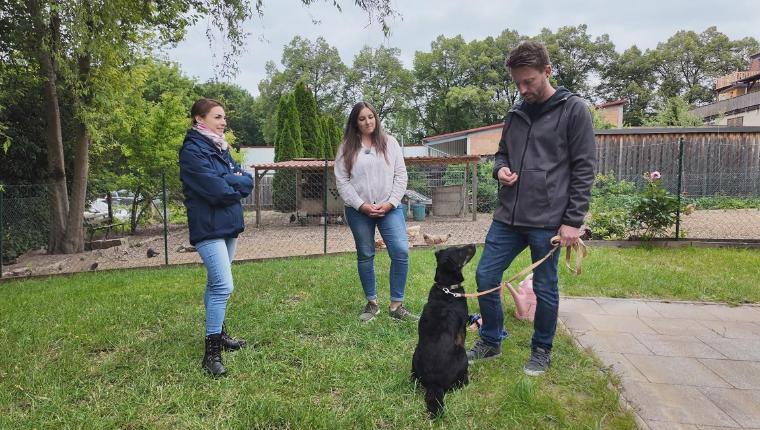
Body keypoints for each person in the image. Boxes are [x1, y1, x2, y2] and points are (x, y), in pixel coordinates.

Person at [466, 41, 596, 376]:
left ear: (547, 72)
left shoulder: (574, 110)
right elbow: (501, 153)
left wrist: (572, 222)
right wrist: (500, 170)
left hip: (548, 221)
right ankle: (491, 340)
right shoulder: (515, 114)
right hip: (508, 216)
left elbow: (584, 169)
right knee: (485, 275)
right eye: (518, 84)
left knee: (545, 286)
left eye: (529, 82)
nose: (523, 90)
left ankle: (541, 350)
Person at [179, 98, 254, 377]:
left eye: (225, 117)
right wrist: (231, 181)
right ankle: (211, 354)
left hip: (228, 224)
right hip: (207, 227)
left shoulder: (219, 147)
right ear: (200, 119)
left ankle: (220, 334)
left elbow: (246, 180)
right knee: (223, 285)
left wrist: (230, 179)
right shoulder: (192, 151)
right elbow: (216, 190)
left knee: (215, 284)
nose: (224, 123)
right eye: (218, 117)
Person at [334, 101, 418, 322]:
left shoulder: (390, 143)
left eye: (370, 117)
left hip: (389, 208)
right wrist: (361, 205)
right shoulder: (346, 147)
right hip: (358, 210)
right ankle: (372, 304)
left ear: (376, 118)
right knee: (365, 254)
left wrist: (391, 203)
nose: (367, 122)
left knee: (400, 251)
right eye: (362, 119)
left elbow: (401, 175)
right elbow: (342, 181)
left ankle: (396, 306)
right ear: (355, 122)